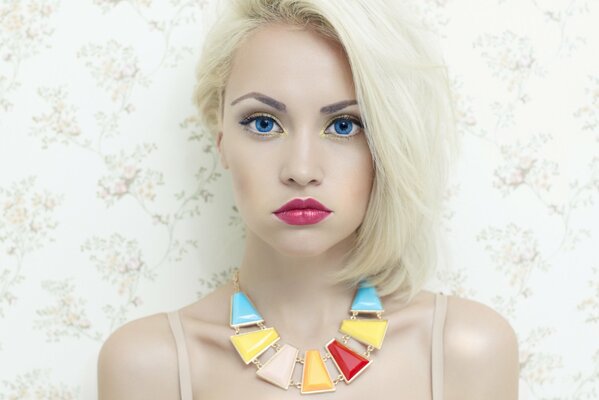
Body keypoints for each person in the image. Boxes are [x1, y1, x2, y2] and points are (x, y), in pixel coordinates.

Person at [97, 0, 519, 398]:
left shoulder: (466, 349)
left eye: (344, 125)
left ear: (389, 143)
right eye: (263, 123)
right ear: (222, 140)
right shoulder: (148, 365)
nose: (301, 169)